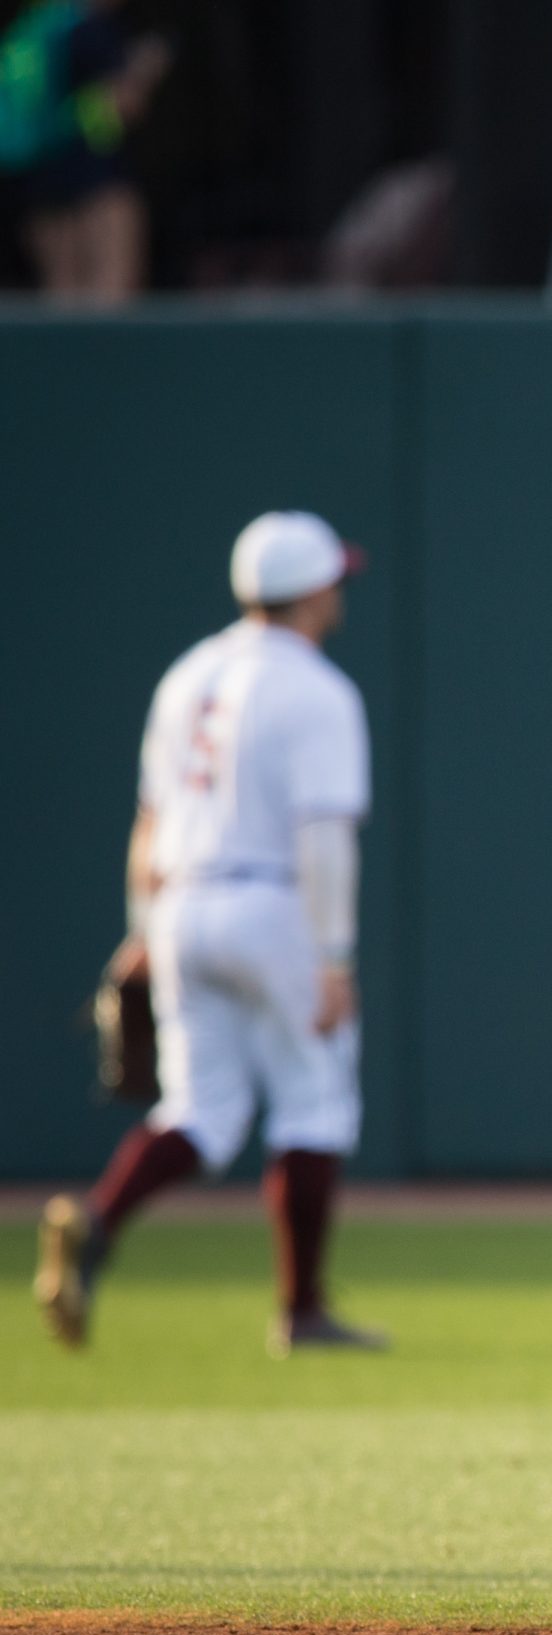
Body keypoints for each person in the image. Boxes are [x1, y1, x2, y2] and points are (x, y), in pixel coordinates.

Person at [34, 511, 386, 1358]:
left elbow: (149, 821)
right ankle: (301, 1309)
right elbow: (323, 838)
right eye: (334, 579)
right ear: (310, 592)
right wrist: (333, 957)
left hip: (182, 901)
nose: (340, 592)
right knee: (316, 1097)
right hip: (272, 902)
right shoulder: (317, 690)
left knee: (202, 1108)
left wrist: (141, 929)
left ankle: (100, 1220)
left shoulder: (188, 673)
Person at [0, 0, 168, 303]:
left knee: (61, 294)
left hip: (39, 177)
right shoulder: (91, 29)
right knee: (111, 291)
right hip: (96, 176)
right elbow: (124, 106)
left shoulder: (38, 24)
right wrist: (144, 69)